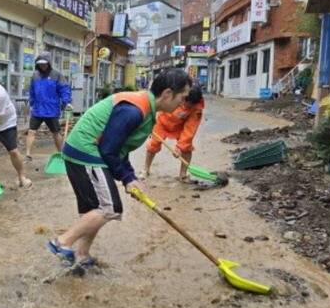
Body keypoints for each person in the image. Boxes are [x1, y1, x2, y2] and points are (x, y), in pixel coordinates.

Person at [48, 69, 191, 271]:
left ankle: (82, 255)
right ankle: (62, 242)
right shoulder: (134, 110)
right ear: (167, 94)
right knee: (111, 208)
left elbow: (120, 149)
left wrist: (129, 177)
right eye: (182, 97)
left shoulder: (146, 110)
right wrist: (126, 178)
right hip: (85, 151)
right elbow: (109, 149)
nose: (183, 104)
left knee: (93, 209)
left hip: (83, 151)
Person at [143, 83, 205, 181]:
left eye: (190, 105)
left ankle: (183, 174)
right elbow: (156, 105)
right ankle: (146, 169)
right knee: (153, 144)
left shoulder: (197, 108)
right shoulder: (175, 96)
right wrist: (149, 122)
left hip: (180, 126)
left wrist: (180, 147)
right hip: (162, 122)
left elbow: (190, 129)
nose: (185, 105)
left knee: (187, 148)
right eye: (185, 102)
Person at [25, 52, 72, 160]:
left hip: (51, 110)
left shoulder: (57, 75)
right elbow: (32, 90)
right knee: (31, 131)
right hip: (37, 109)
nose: (42, 66)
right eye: (40, 64)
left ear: (49, 63)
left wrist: (66, 102)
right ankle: (27, 154)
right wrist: (31, 102)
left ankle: (61, 153)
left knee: (55, 133)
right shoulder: (35, 75)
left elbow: (64, 89)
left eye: (45, 64)